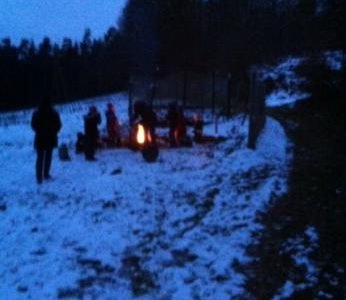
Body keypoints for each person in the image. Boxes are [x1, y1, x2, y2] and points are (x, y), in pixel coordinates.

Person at [31, 100, 62, 184]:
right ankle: (45, 174)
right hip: (49, 138)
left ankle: (40, 177)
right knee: (47, 157)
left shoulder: (37, 113)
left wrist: (39, 131)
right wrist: (54, 131)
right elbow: (59, 125)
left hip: (41, 138)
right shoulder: (53, 113)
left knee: (40, 158)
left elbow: (33, 125)